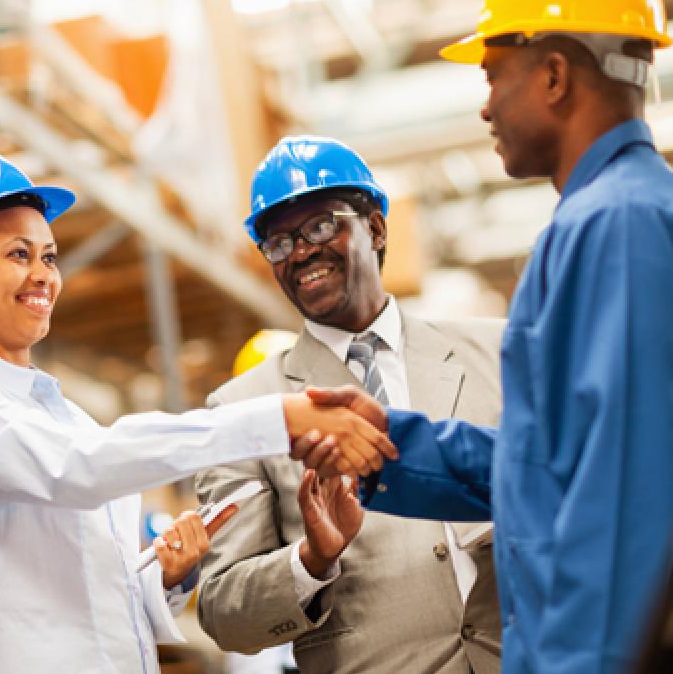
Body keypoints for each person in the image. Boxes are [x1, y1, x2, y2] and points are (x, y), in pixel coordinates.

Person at [0, 148, 396, 674]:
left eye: (49, 256)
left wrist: (165, 576)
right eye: (19, 255)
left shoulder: (65, 417)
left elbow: (84, 598)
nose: (44, 275)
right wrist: (277, 419)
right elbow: (80, 467)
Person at [298, 1, 673, 673]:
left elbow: (628, 497)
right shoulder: (605, 222)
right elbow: (548, 466)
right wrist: (389, 446)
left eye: (493, 75)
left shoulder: (617, 228)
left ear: (555, 74)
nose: (485, 107)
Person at [195, 136, 505, 674]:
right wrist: (310, 561)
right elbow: (224, 612)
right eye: (278, 242)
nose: (300, 252)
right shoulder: (243, 410)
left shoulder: (498, 352)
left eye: (320, 226)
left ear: (376, 228)